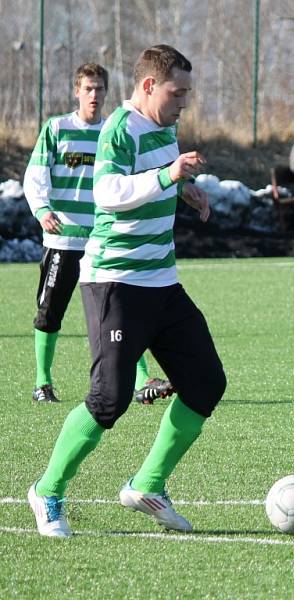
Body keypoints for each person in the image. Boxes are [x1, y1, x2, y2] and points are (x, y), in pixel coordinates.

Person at [27, 45, 227, 538]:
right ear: (148, 87)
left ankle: (149, 485)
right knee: (108, 399)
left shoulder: (164, 127)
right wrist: (169, 175)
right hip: (115, 281)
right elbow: (108, 194)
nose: (184, 102)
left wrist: (184, 189)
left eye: (187, 93)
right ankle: (48, 491)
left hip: (161, 279)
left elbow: (157, 182)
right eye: (177, 92)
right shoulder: (120, 127)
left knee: (205, 383)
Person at [23, 63, 172, 406]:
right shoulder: (57, 128)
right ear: (77, 91)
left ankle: (141, 380)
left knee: (122, 312)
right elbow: (35, 175)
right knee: (50, 312)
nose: (95, 95)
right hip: (64, 239)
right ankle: (42, 382)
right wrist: (42, 210)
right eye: (88, 89)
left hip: (105, 242)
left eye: (100, 89)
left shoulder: (114, 131)